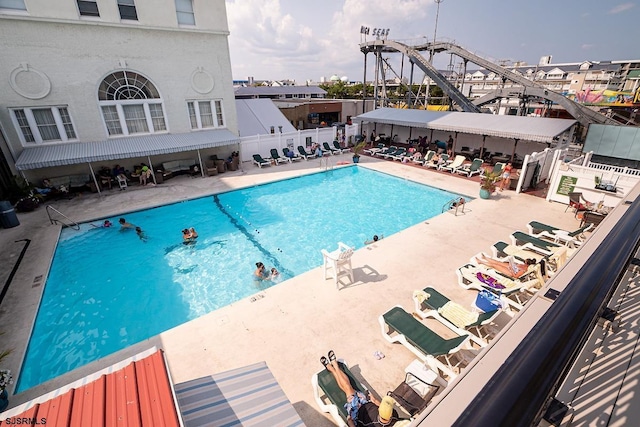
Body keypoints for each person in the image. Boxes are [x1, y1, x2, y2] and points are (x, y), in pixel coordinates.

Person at [321, 350, 400, 426]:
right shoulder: (394, 415)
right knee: (347, 389)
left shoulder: (372, 425)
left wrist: (349, 421)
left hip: (356, 411)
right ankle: (333, 368)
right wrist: (374, 400)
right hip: (365, 402)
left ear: (379, 410)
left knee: (348, 388)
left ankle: (334, 367)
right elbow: (381, 405)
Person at [475, 254, 540, 278]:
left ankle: (480, 262)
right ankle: (485, 258)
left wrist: (511, 269)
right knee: (498, 262)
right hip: (512, 267)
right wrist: (512, 264)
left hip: (511, 272)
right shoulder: (523, 265)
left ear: (527, 262)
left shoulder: (524, 270)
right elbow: (516, 266)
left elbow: (516, 276)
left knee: (494, 265)